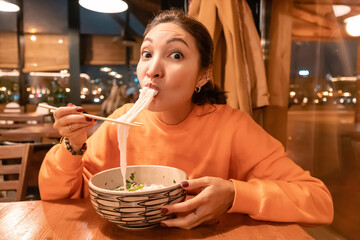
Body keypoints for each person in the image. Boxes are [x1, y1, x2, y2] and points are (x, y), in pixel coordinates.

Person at [39, 9, 333, 229]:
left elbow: (318, 201)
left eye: (176, 55)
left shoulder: (231, 126)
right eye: (147, 53)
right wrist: (73, 145)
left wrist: (234, 194)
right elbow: (58, 195)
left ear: (203, 74)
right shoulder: (120, 123)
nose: (152, 69)